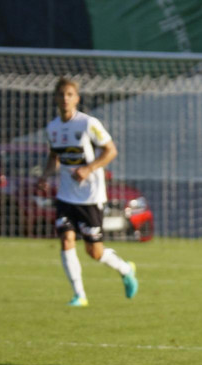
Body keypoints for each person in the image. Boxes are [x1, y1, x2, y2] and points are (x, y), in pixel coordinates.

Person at [37, 77, 138, 307]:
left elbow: (111, 150)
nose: (65, 99)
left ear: (77, 98)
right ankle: (79, 295)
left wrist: (88, 168)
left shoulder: (88, 123)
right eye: (61, 94)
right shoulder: (52, 128)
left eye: (69, 94)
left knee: (94, 251)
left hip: (90, 196)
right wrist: (45, 176)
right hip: (65, 195)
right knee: (66, 240)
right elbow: (54, 157)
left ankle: (125, 269)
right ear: (55, 98)